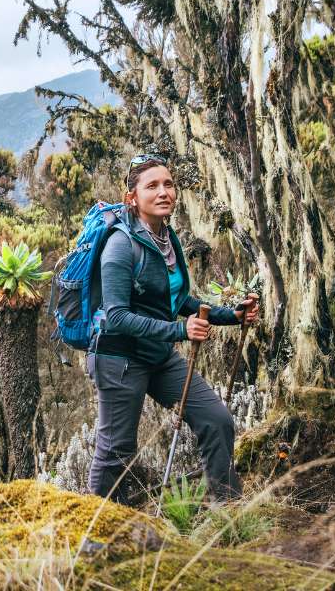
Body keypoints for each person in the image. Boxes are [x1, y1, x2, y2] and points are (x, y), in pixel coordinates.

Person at [85, 152, 259, 506]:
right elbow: (116, 315)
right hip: (119, 360)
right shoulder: (121, 245)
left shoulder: (167, 237)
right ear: (132, 197)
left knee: (216, 419)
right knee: (117, 450)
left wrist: (232, 316)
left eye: (169, 184)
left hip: (157, 356)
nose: (164, 192)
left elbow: (178, 298)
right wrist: (180, 331)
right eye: (152, 186)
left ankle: (226, 510)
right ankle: (96, 530)